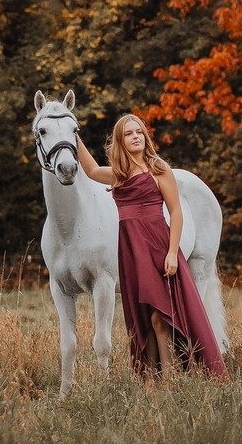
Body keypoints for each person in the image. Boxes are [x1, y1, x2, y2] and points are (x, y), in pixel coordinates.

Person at [73, 113, 228, 379]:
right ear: (121, 141)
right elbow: (90, 170)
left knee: (160, 316)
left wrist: (172, 252)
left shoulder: (158, 169)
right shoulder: (118, 175)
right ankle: (150, 379)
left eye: (139, 132)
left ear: (145, 137)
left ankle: (169, 377)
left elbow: (176, 211)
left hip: (157, 245)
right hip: (131, 250)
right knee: (143, 317)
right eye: (129, 134)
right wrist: (71, 134)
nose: (136, 137)